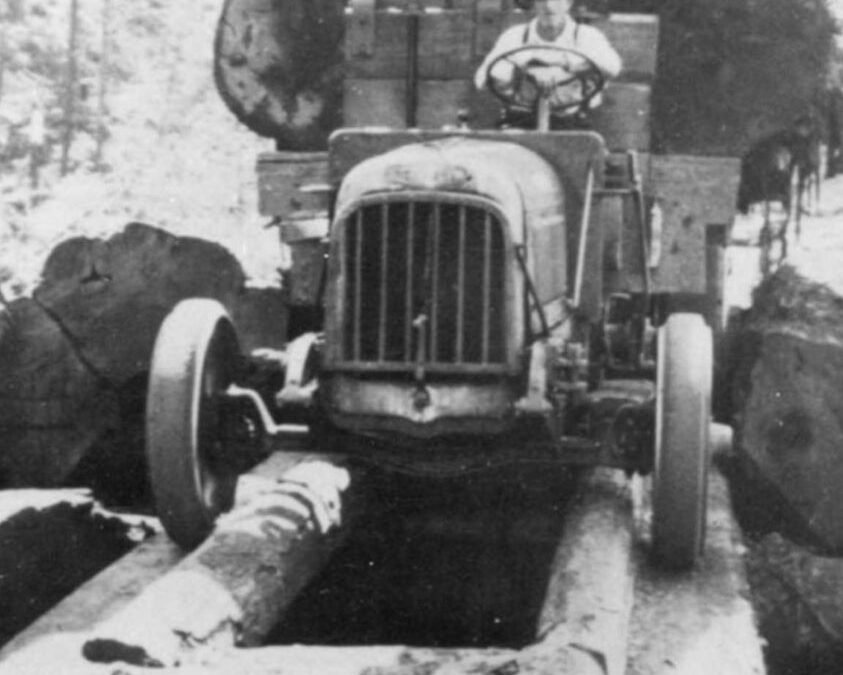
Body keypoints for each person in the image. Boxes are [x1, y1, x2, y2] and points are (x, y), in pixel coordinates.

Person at [474, 0, 622, 127]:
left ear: (568, 3)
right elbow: (482, 78)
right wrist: (525, 71)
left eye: (556, 0)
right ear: (535, 4)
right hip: (521, 119)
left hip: (573, 122)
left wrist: (569, 68)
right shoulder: (515, 36)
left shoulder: (586, 36)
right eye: (542, 0)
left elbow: (613, 67)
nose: (549, 6)